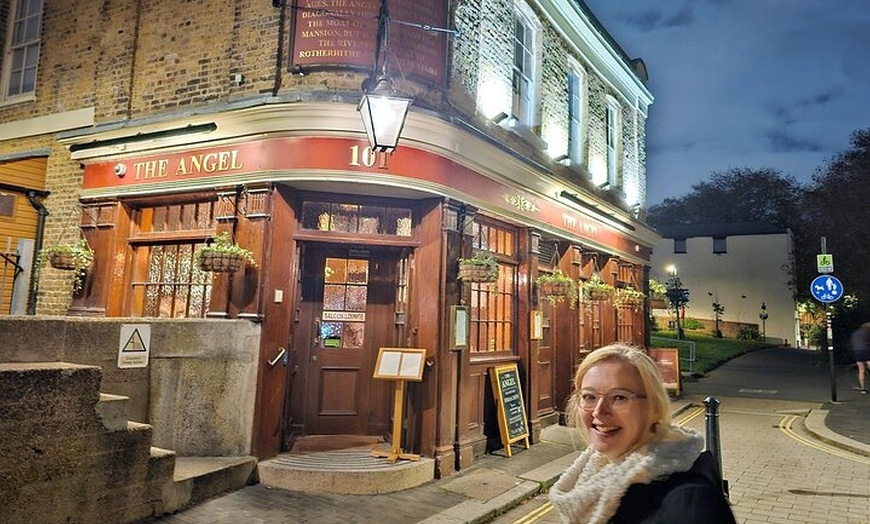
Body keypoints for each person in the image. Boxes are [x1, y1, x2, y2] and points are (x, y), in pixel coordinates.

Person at [549, 343, 736, 524]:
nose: (598, 411)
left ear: (655, 407)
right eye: (589, 396)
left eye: (619, 397)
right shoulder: (598, 471)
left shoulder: (690, 505)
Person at [849, 323, 870, 394]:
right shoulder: (868, 332)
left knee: (861, 370)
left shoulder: (855, 333)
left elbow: (852, 343)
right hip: (867, 350)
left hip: (857, 352)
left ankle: (863, 389)